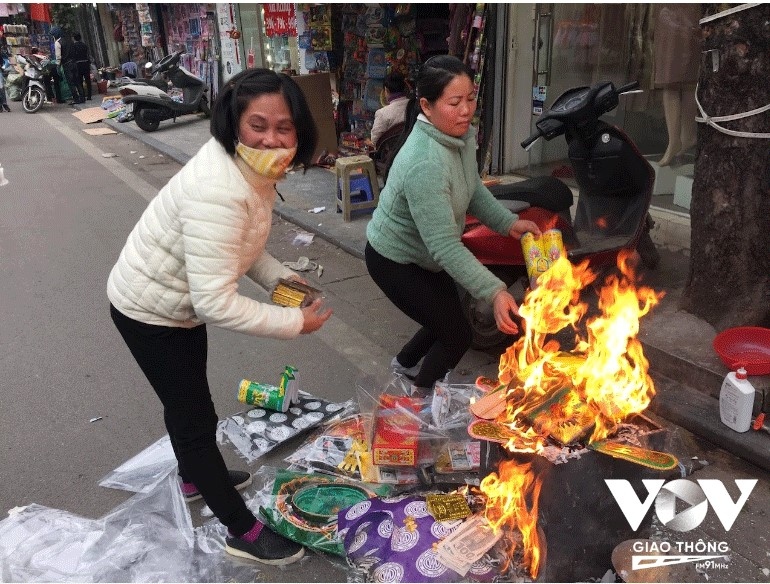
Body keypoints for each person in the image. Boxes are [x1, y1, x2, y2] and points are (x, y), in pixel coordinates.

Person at [107, 68, 332, 565]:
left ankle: (193, 476)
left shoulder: (254, 171)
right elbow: (215, 301)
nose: (272, 138)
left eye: (284, 127)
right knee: (195, 417)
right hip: (150, 312)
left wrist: (279, 282)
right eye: (258, 125)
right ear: (234, 124)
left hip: (175, 307)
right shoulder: (220, 188)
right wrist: (295, 324)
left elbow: (240, 247)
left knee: (188, 405)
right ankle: (242, 530)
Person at [365, 55, 541, 395]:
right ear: (427, 106)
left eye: (471, 99)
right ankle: (418, 399)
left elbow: (472, 189)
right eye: (455, 102)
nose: (466, 111)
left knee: (446, 317)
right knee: (457, 333)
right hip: (393, 260)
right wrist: (495, 291)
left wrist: (510, 224)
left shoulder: (461, 136)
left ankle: (403, 366)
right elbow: (444, 245)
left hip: (425, 255)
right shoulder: (425, 162)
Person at [653, 4, 700, 166]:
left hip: (686, 15)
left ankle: (683, 138)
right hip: (671, 15)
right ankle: (677, 140)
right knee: (671, 81)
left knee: (686, 82)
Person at [370, 70, 410, 147]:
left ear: (386, 90)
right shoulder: (415, 106)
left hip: (392, 154)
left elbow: (375, 140)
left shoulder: (382, 113)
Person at [72, 33, 91, 101]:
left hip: (78, 64)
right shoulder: (84, 45)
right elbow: (87, 54)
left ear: (74, 38)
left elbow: (73, 55)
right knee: (87, 80)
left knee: (80, 81)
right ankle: (89, 95)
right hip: (86, 63)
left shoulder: (74, 46)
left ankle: (82, 95)